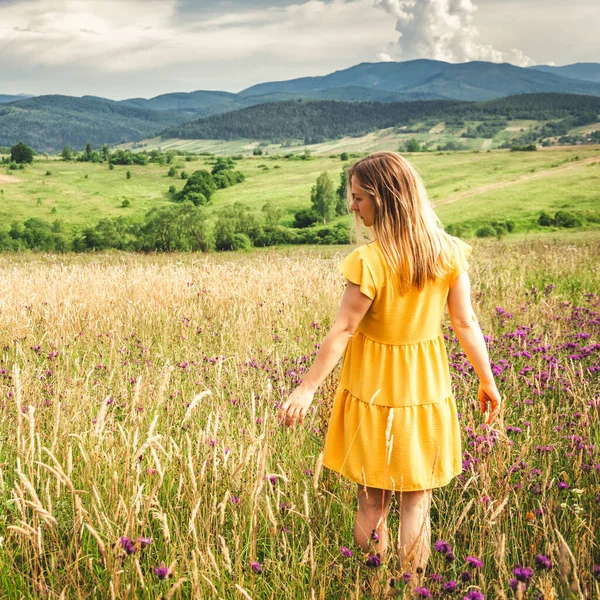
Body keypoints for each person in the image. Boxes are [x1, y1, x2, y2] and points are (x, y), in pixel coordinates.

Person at [278, 151, 501, 586]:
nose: (352, 207)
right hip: (426, 390)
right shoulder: (448, 252)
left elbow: (343, 330)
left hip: (373, 392)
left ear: (384, 199)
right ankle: (413, 589)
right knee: (417, 502)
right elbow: (465, 322)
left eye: (359, 197)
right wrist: (487, 381)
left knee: (372, 501)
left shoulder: (370, 261)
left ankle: (375, 586)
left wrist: (305, 389)